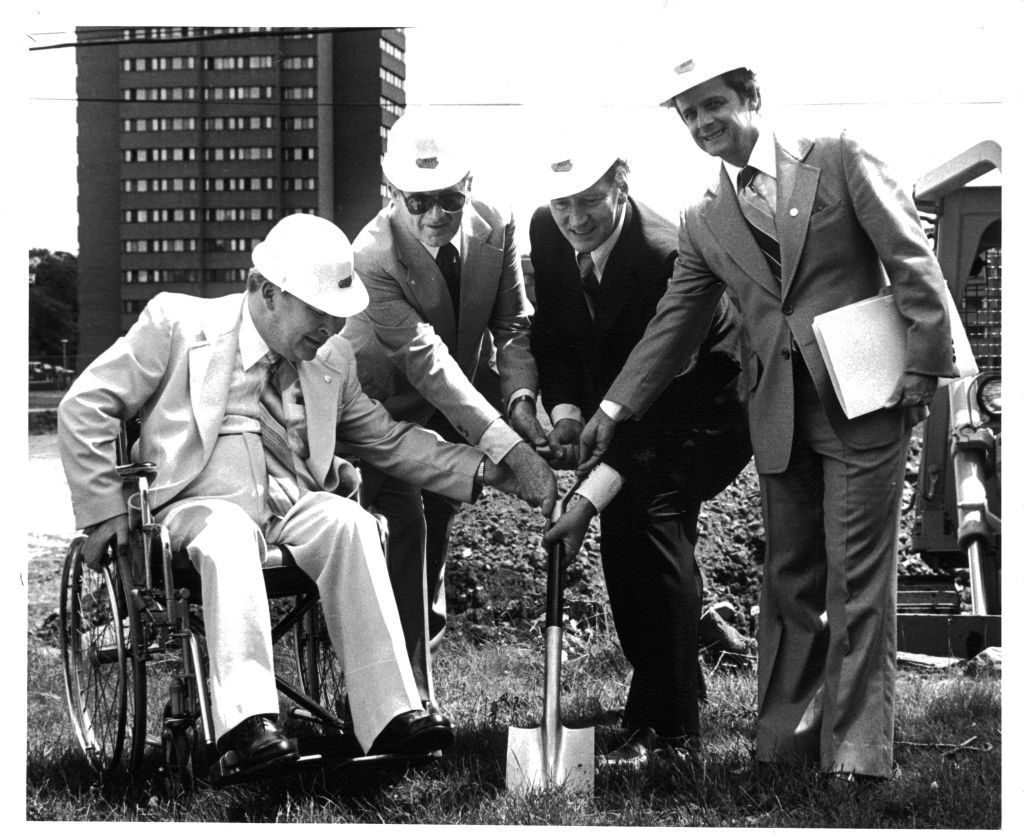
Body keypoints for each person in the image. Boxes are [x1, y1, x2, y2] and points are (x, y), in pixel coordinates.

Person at [576, 55, 958, 782]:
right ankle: (782, 746)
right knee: (789, 580)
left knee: (857, 577)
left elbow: (912, 259)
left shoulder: (839, 156)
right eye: (687, 115)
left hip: (866, 394)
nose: (702, 123)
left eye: (712, 104)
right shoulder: (703, 217)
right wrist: (613, 407)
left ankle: (856, 755)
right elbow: (672, 326)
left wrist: (923, 362)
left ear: (751, 95)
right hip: (776, 411)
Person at [58, 213, 523, 772]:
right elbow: (85, 406)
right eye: (317, 310)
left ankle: (393, 715)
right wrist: (106, 512)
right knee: (229, 535)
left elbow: (389, 440)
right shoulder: (177, 323)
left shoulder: (332, 359)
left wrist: (485, 469)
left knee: (350, 521)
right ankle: (250, 722)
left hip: (290, 505)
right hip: (194, 507)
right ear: (265, 292)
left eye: (337, 314)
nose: (330, 326)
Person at [532, 134, 750, 768]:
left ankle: (672, 730)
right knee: (634, 531)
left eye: (591, 200)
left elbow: (656, 391)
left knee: (645, 520)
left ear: (621, 183)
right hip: (621, 409)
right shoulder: (549, 230)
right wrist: (569, 414)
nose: (575, 219)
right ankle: (671, 689)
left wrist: (589, 494)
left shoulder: (663, 253)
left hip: (702, 408)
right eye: (563, 202)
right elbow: (556, 334)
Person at [342, 113, 557, 708]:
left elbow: (512, 323)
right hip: (383, 405)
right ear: (393, 194)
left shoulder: (498, 221)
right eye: (419, 201)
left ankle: (416, 668)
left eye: (449, 199)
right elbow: (425, 361)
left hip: (455, 402)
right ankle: (405, 699)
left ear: (470, 185)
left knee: (435, 526)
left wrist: (518, 400)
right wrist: (507, 448)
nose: (436, 214)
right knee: (402, 527)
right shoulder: (371, 255)